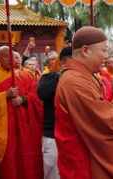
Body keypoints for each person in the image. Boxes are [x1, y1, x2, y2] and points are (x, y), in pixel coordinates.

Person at [55, 26, 113, 179]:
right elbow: (110, 123)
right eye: (104, 50)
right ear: (85, 50)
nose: (106, 56)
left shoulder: (85, 76)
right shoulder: (74, 82)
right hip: (83, 166)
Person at [0, 46, 44, 179]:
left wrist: (23, 99)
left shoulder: (26, 75)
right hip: (5, 129)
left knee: (28, 160)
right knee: (10, 163)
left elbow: (37, 97)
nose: (10, 59)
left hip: (26, 128)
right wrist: (5, 95)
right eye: (5, 56)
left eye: (12, 56)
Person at [37, 47, 72, 179]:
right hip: (52, 135)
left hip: (72, 135)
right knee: (53, 173)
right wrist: (61, 75)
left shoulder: (80, 79)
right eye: (52, 60)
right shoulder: (47, 78)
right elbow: (42, 93)